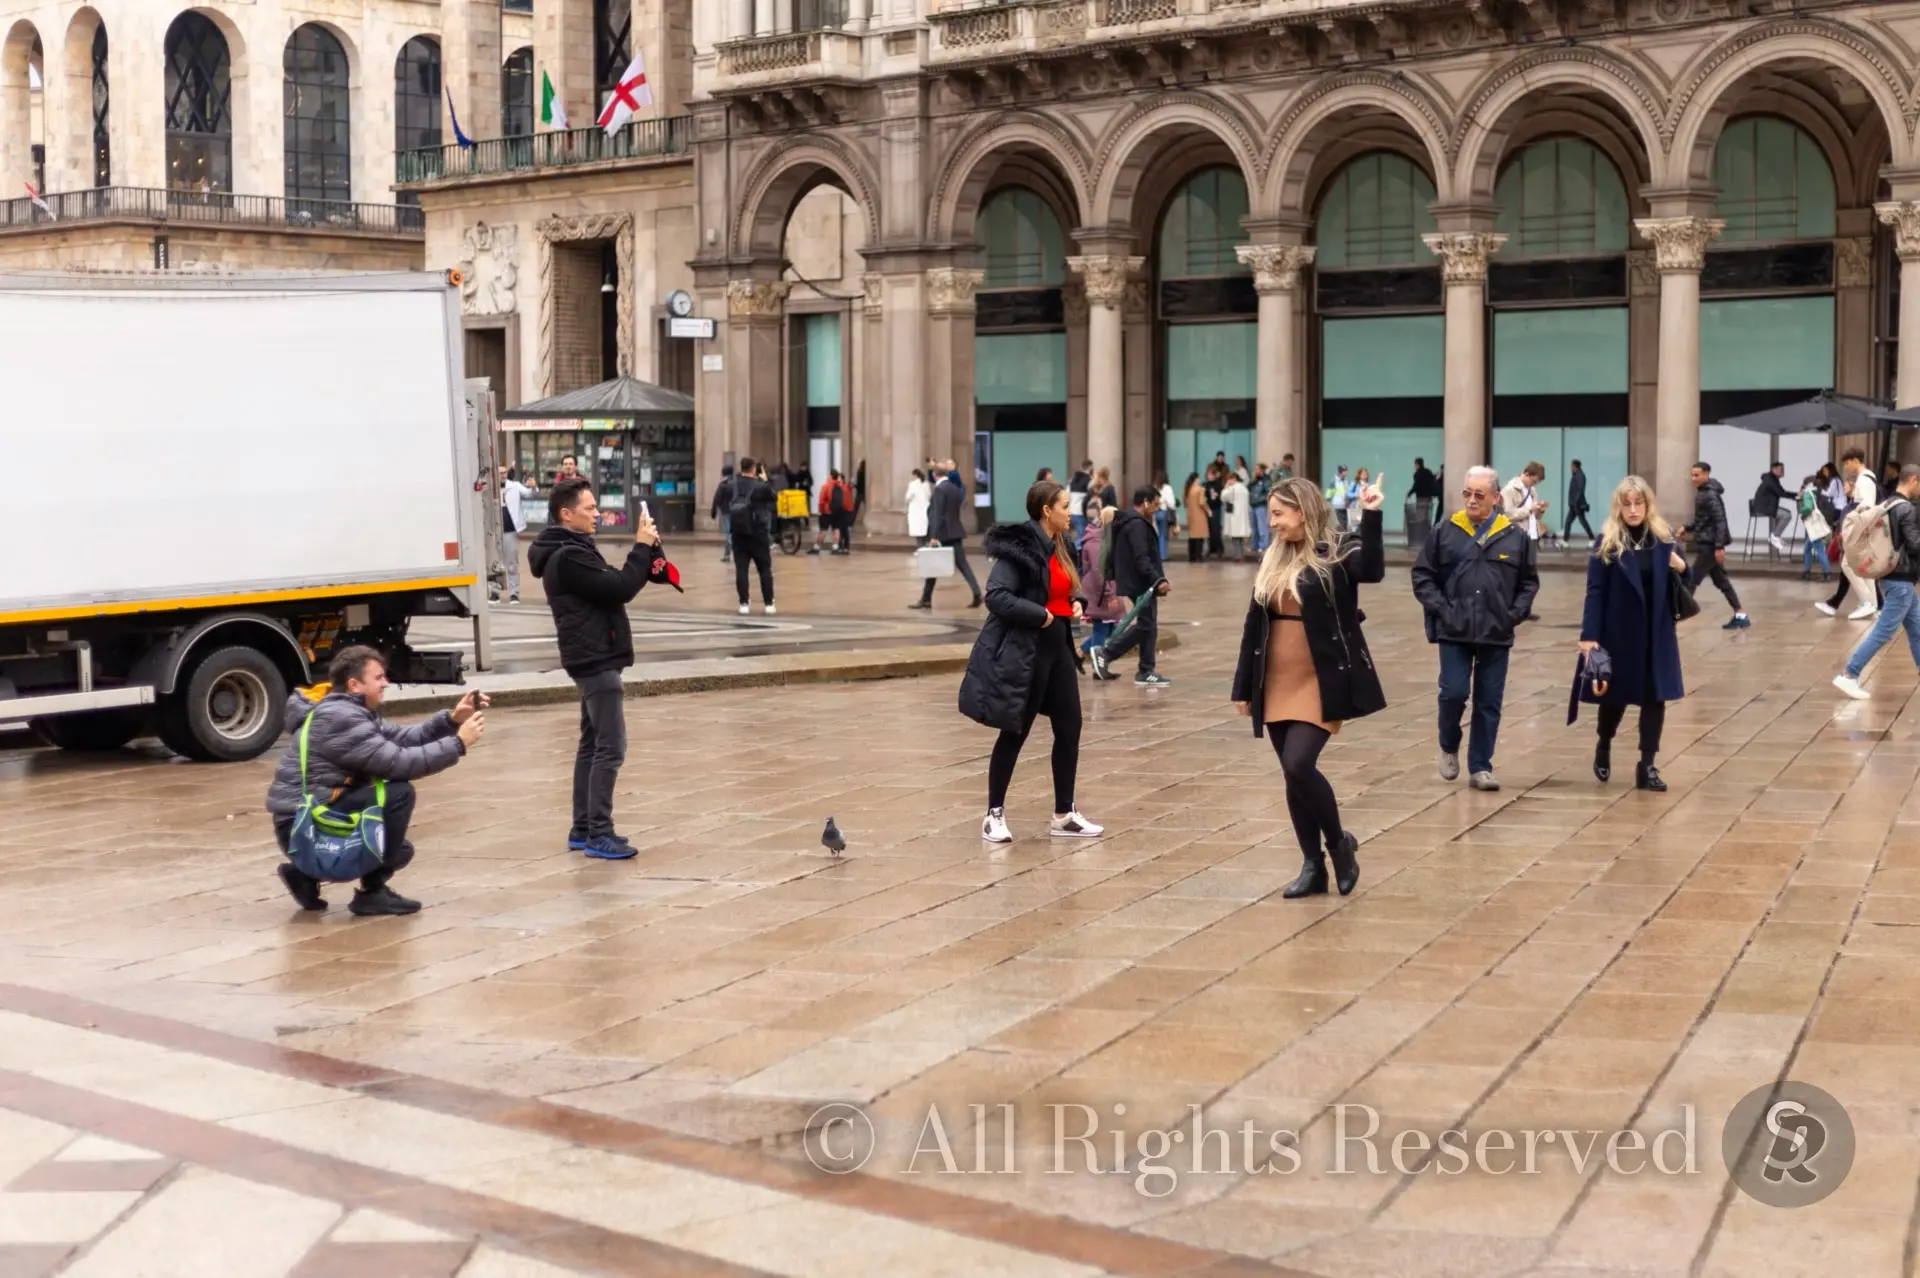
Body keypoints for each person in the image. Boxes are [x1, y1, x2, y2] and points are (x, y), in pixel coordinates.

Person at [1231, 476, 1385, 898]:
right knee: (1291, 775)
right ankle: (1312, 866)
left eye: (1279, 513)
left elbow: (1371, 570)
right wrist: (1243, 686)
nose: (1273, 522)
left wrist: (1371, 513)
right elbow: (1253, 625)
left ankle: (1339, 846)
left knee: (1300, 764)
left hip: (1321, 677)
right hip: (1275, 678)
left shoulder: (1337, 548)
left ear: (1302, 510)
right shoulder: (1273, 557)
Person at [266, 646, 485, 915]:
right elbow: (400, 764)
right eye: (379, 677)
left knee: (398, 850)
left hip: (303, 818)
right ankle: (372, 893)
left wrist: (451, 720)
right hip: (304, 825)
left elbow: (402, 738)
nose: (386, 683)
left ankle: (304, 874)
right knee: (398, 794)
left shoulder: (347, 710)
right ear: (354, 684)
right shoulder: (341, 719)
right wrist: (459, 743)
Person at [529, 477, 667, 860]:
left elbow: (614, 584)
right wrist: (640, 546)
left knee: (591, 745)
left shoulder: (570, 549)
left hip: (591, 655)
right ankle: (598, 833)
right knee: (610, 747)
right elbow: (620, 587)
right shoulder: (569, 556)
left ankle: (583, 827)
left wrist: (645, 552)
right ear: (566, 514)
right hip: (595, 659)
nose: (597, 514)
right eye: (589, 509)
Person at [959, 480, 1103, 844]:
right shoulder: (1019, 549)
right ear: (1046, 511)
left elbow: (1071, 588)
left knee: (1070, 727)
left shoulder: (1062, 546)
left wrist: (1078, 603)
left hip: (1059, 650)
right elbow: (997, 596)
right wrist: (1038, 614)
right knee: (1015, 730)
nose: (1071, 513)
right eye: (1065, 506)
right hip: (1027, 651)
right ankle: (993, 815)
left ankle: (1064, 813)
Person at [1411, 465, 1540, 792]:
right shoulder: (1445, 531)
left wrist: (1513, 615)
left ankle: (1481, 765)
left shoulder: (1515, 537)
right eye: (1467, 493)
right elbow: (1422, 576)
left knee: (1489, 700)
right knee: (1454, 692)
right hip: (1454, 629)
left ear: (1496, 498)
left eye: (1478, 495)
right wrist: (1443, 609)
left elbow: (1528, 583)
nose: (1470, 500)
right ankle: (1448, 743)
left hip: (1496, 632)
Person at [1578, 477, 1689, 793]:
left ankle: (1647, 765)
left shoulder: (1663, 539)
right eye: (1626, 503)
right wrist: (1589, 636)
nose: (1633, 509)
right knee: (1613, 699)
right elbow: (1595, 593)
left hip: (1657, 634)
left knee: (1656, 699)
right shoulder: (1607, 543)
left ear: (1648, 505)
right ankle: (1604, 742)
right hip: (1619, 633)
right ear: (1619, 507)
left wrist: (1680, 565)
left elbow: (1687, 582)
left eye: (1638, 503)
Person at [1832, 464, 1920, 700]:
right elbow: (1914, 545)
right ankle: (1849, 674)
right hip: (1901, 579)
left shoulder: (1888, 504)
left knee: (1917, 628)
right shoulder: (1907, 509)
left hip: (1892, 576)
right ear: (1912, 480)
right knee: (1884, 631)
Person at [1091, 486, 1171, 686]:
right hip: (1140, 582)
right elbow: (1141, 558)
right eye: (1154, 504)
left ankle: (1145, 669)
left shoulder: (1134, 522)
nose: (1156, 508)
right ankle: (1106, 653)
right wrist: (1158, 579)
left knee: (1148, 625)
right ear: (1144, 502)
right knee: (1146, 625)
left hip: (1139, 580)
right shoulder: (1136, 525)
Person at [1682, 461, 1749, 629]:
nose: (1693, 478)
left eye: (1697, 475)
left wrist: (1719, 546)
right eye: (1692, 475)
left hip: (1709, 545)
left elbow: (1720, 520)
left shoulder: (1709, 495)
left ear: (1706, 475)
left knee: (1692, 579)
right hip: (1709, 543)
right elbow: (1703, 520)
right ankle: (1740, 614)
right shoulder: (1704, 493)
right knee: (1722, 582)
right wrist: (1687, 527)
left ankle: (1676, 614)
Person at [1818, 448, 1881, 621]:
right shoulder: (1868, 477)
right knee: (1861, 568)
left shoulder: (1864, 480)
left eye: (1847, 463)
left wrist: (1854, 528)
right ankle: (1872, 605)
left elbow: (1867, 507)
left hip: (1862, 530)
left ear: (1855, 460)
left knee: (1848, 564)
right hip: (1866, 530)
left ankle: (1868, 602)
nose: (1846, 468)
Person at [911, 460, 982, 610]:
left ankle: (926, 599)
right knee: (961, 565)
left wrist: (934, 536)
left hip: (943, 533)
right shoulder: (955, 488)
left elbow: (938, 514)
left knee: (932, 565)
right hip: (955, 530)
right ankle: (976, 592)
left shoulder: (939, 490)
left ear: (935, 474)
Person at [727, 455, 778, 616]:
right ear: (754, 468)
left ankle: (743, 603)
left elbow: (722, 497)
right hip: (758, 533)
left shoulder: (731, 484)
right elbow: (774, 496)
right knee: (764, 569)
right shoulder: (760, 486)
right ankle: (768, 603)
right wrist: (765, 480)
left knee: (741, 569)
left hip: (738, 533)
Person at [1077, 500, 1120, 662]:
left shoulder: (1104, 538)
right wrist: (1110, 596)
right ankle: (1098, 664)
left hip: (1102, 591)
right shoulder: (1096, 541)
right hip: (1098, 593)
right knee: (1101, 629)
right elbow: (1098, 572)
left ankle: (1080, 652)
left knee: (1108, 629)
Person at [498, 466, 533, 603]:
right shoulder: (489, 487)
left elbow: (529, 494)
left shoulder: (514, 486)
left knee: (512, 563)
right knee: (494, 564)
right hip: (493, 532)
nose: (502, 475)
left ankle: (514, 594)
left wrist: (533, 487)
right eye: (499, 473)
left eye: (504, 472)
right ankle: (494, 592)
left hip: (510, 531)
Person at [1799, 473, 1834, 581]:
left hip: (1814, 527)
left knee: (1819, 550)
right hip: (1818, 524)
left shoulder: (1807, 494)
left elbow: (1808, 508)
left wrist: (1802, 512)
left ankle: (1826, 573)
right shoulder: (1820, 493)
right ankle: (1807, 571)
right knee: (1807, 549)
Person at [1754, 462, 1793, 555]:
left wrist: (1796, 496)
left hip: (1767, 506)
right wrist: (1797, 496)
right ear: (1773, 469)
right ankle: (1775, 536)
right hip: (1763, 508)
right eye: (1781, 469)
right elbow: (1781, 493)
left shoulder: (1772, 479)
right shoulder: (1770, 480)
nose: (1783, 471)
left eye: (1783, 469)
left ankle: (1776, 536)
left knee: (1787, 513)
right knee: (1787, 515)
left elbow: (1781, 492)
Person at [1406, 458, 1440, 549]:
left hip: (1421, 497)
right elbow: (1433, 480)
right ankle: (1427, 534)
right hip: (1428, 497)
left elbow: (1416, 485)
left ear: (1417, 464)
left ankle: (1421, 536)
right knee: (1426, 515)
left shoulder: (1417, 474)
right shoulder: (1428, 472)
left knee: (1420, 516)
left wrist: (1409, 493)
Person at [1221, 467, 1253, 561]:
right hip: (1242, 516)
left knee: (1235, 538)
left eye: (1229, 479)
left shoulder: (1232, 489)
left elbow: (1223, 497)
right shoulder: (1244, 488)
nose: (1228, 481)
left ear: (1233, 479)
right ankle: (1240, 555)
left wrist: (1225, 487)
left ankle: (1237, 556)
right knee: (1240, 538)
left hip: (1235, 516)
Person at [1563, 459, 1594, 545]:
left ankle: (1592, 539)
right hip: (1574, 504)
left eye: (1571, 466)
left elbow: (1580, 490)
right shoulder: (1576, 475)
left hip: (1577, 504)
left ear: (1575, 466)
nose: (1570, 468)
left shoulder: (1580, 476)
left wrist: (1576, 502)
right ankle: (1565, 540)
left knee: (1583, 521)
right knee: (1568, 521)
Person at [711, 465, 736, 564]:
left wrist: (713, 512)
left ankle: (727, 554)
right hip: (737, 510)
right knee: (732, 532)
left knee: (729, 533)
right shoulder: (736, 483)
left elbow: (717, 499)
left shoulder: (723, 484)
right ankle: (728, 553)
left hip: (725, 511)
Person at [1183, 472, 1209, 563]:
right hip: (1200, 515)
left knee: (1192, 537)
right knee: (1200, 536)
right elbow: (1202, 502)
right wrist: (1208, 510)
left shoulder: (1187, 489)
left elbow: (1184, 502)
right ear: (1196, 479)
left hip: (1190, 515)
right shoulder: (1200, 489)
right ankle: (1199, 556)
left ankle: (1191, 556)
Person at [1248, 463, 1273, 555]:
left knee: (1261, 527)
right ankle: (1254, 545)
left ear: (1262, 470)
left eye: (1256, 469)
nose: (1255, 471)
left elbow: (1268, 492)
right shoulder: (1254, 480)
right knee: (1253, 527)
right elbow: (1249, 488)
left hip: (1260, 505)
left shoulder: (1266, 480)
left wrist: (1260, 499)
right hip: (1252, 505)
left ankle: (1262, 546)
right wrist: (1253, 479)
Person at [1152, 469, 1177, 560]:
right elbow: (1171, 502)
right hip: (1163, 512)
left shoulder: (1154, 487)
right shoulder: (1167, 488)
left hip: (1154, 512)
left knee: (1156, 534)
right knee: (1163, 534)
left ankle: (1156, 554)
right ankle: (1162, 555)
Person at [905, 467, 933, 542]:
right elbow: (929, 495)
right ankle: (926, 545)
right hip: (925, 507)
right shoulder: (926, 484)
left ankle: (920, 547)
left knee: (917, 529)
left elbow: (908, 497)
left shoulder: (913, 484)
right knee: (925, 528)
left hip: (915, 509)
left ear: (915, 475)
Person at [1205, 463, 1227, 556]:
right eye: (1208, 475)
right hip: (1208, 508)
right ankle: (1211, 548)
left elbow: (1220, 496)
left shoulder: (1218, 485)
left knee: (1216, 529)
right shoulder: (1205, 485)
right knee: (1209, 529)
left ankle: (1219, 548)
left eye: (1211, 474)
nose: (1209, 476)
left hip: (1216, 508)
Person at [1328, 465, 1351, 530]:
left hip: (1345, 505)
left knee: (1345, 522)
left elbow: (1347, 492)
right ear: (1341, 472)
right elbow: (1328, 495)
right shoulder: (1334, 481)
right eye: (1345, 471)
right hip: (1338, 505)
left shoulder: (1346, 482)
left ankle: (1344, 535)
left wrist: (1347, 500)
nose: (1346, 473)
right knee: (1342, 522)